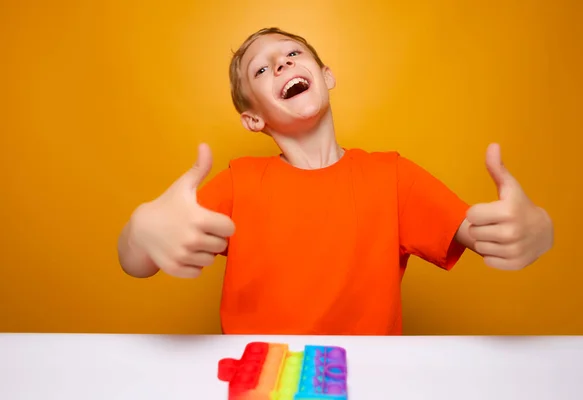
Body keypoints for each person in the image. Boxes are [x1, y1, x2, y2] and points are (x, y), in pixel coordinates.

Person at [117, 27, 554, 335]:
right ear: (253, 118)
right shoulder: (239, 183)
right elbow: (138, 264)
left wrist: (539, 229)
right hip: (263, 379)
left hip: (366, 377)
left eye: (291, 54)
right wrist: (140, 230)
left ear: (325, 76)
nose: (280, 62)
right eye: (262, 71)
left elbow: (479, 232)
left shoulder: (392, 176)